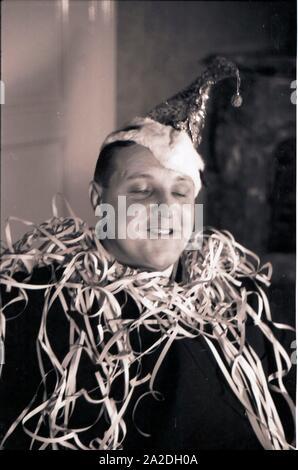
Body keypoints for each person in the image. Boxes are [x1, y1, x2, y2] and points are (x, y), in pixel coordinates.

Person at [0, 56, 295, 450]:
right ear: (98, 199)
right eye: (140, 189)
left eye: (180, 191)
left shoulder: (241, 300)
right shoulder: (32, 303)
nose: (166, 206)